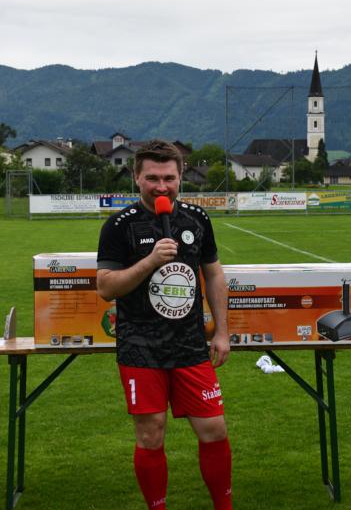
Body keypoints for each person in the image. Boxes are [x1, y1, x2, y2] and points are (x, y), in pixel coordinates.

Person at [96, 140, 232, 510]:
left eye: (169, 178)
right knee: (150, 434)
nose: (161, 187)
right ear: (137, 177)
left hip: (190, 345)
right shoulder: (119, 225)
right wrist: (150, 261)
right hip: (141, 347)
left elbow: (214, 275)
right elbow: (105, 287)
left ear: (181, 177)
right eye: (152, 178)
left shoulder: (197, 219)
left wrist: (221, 331)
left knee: (214, 429)